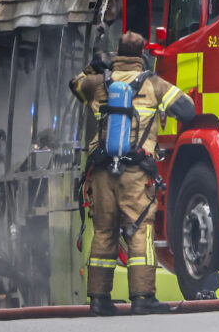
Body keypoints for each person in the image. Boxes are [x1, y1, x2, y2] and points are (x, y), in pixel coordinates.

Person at [70, 30, 195, 316]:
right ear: (142, 56)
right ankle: (142, 298)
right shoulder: (152, 84)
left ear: (118, 54)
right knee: (139, 232)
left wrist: (94, 66)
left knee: (103, 232)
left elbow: (74, 85)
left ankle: (99, 300)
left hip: (101, 174)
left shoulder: (98, 84)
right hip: (136, 173)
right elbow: (188, 110)